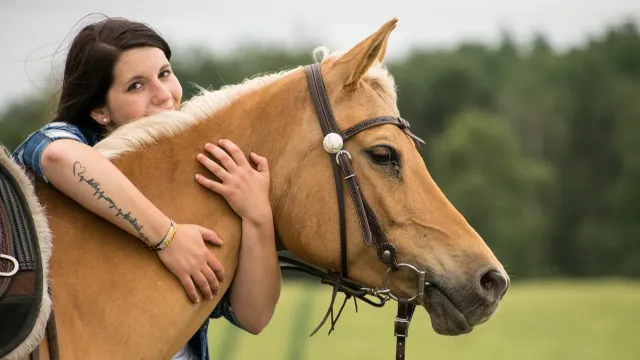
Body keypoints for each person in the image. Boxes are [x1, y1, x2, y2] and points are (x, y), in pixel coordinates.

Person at [11, 16, 282, 360]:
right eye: (136, 86)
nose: (163, 96)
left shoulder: (198, 174)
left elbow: (253, 316)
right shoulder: (68, 142)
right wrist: (167, 237)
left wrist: (258, 216)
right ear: (99, 110)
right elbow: (60, 158)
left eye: (165, 74)